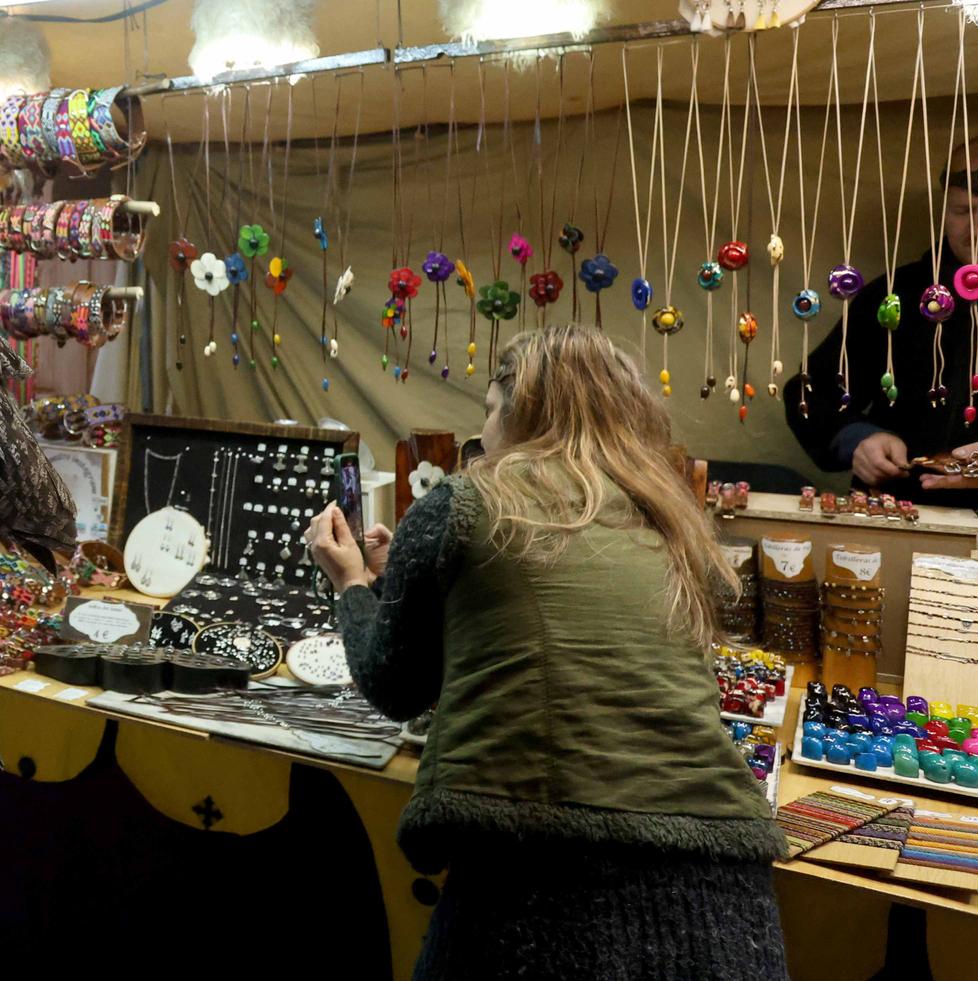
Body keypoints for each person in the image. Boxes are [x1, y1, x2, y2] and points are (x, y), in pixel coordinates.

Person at [308, 325, 784, 981]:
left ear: (520, 407)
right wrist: (410, 575)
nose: (483, 432)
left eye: (489, 409)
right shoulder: (670, 518)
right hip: (724, 899)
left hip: (543, 883)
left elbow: (394, 684)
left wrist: (354, 583)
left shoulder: (466, 498)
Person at [787, 136, 978, 504]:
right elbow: (812, 391)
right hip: (898, 515)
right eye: (962, 211)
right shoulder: (896, 295)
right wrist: (857, 438)